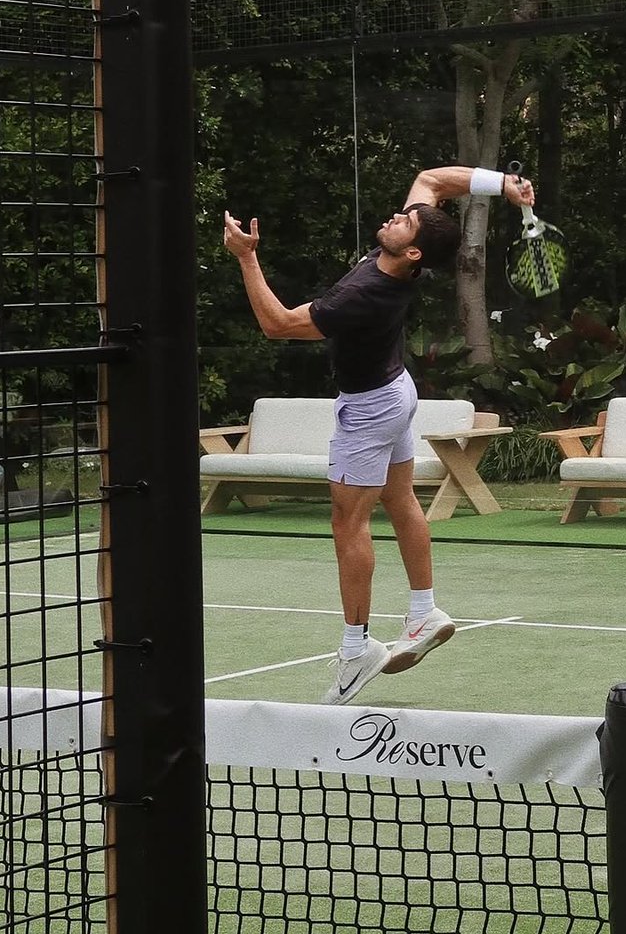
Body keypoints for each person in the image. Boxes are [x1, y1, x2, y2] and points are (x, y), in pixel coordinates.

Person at [222, 165, 535, 704]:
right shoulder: (406, 252)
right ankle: (423, 611)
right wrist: (503, 183)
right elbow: (431, 180)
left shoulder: (365, 293)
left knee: (348, 523)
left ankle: (356, 649)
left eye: (405, 222)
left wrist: (247, 258)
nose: (396, 216)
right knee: (400, 498)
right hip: (395, 391)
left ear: (412, 252)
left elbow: (278, 324)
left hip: (369, 408)